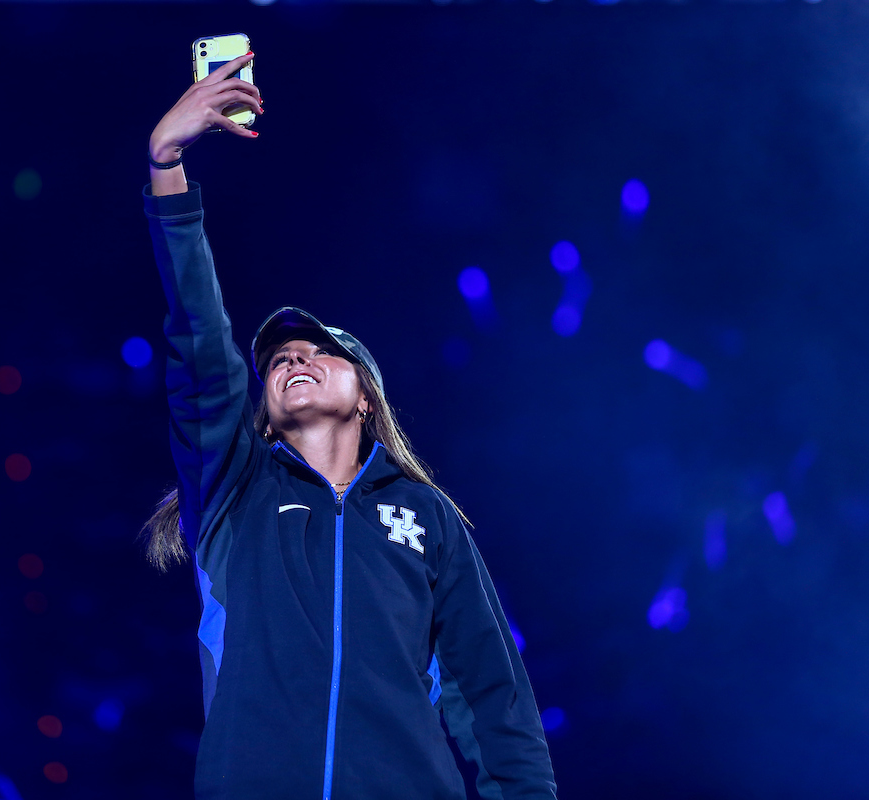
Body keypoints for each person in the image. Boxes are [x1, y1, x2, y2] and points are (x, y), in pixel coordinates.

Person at [141, 52, 557, 800]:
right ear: (264, 411)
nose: (294, 358)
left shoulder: (426, 517)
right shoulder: (235, 492)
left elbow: (494, 697)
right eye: (279, 360)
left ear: (366, 397)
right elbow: (199, 343)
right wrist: (166, 166)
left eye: (318, 351)